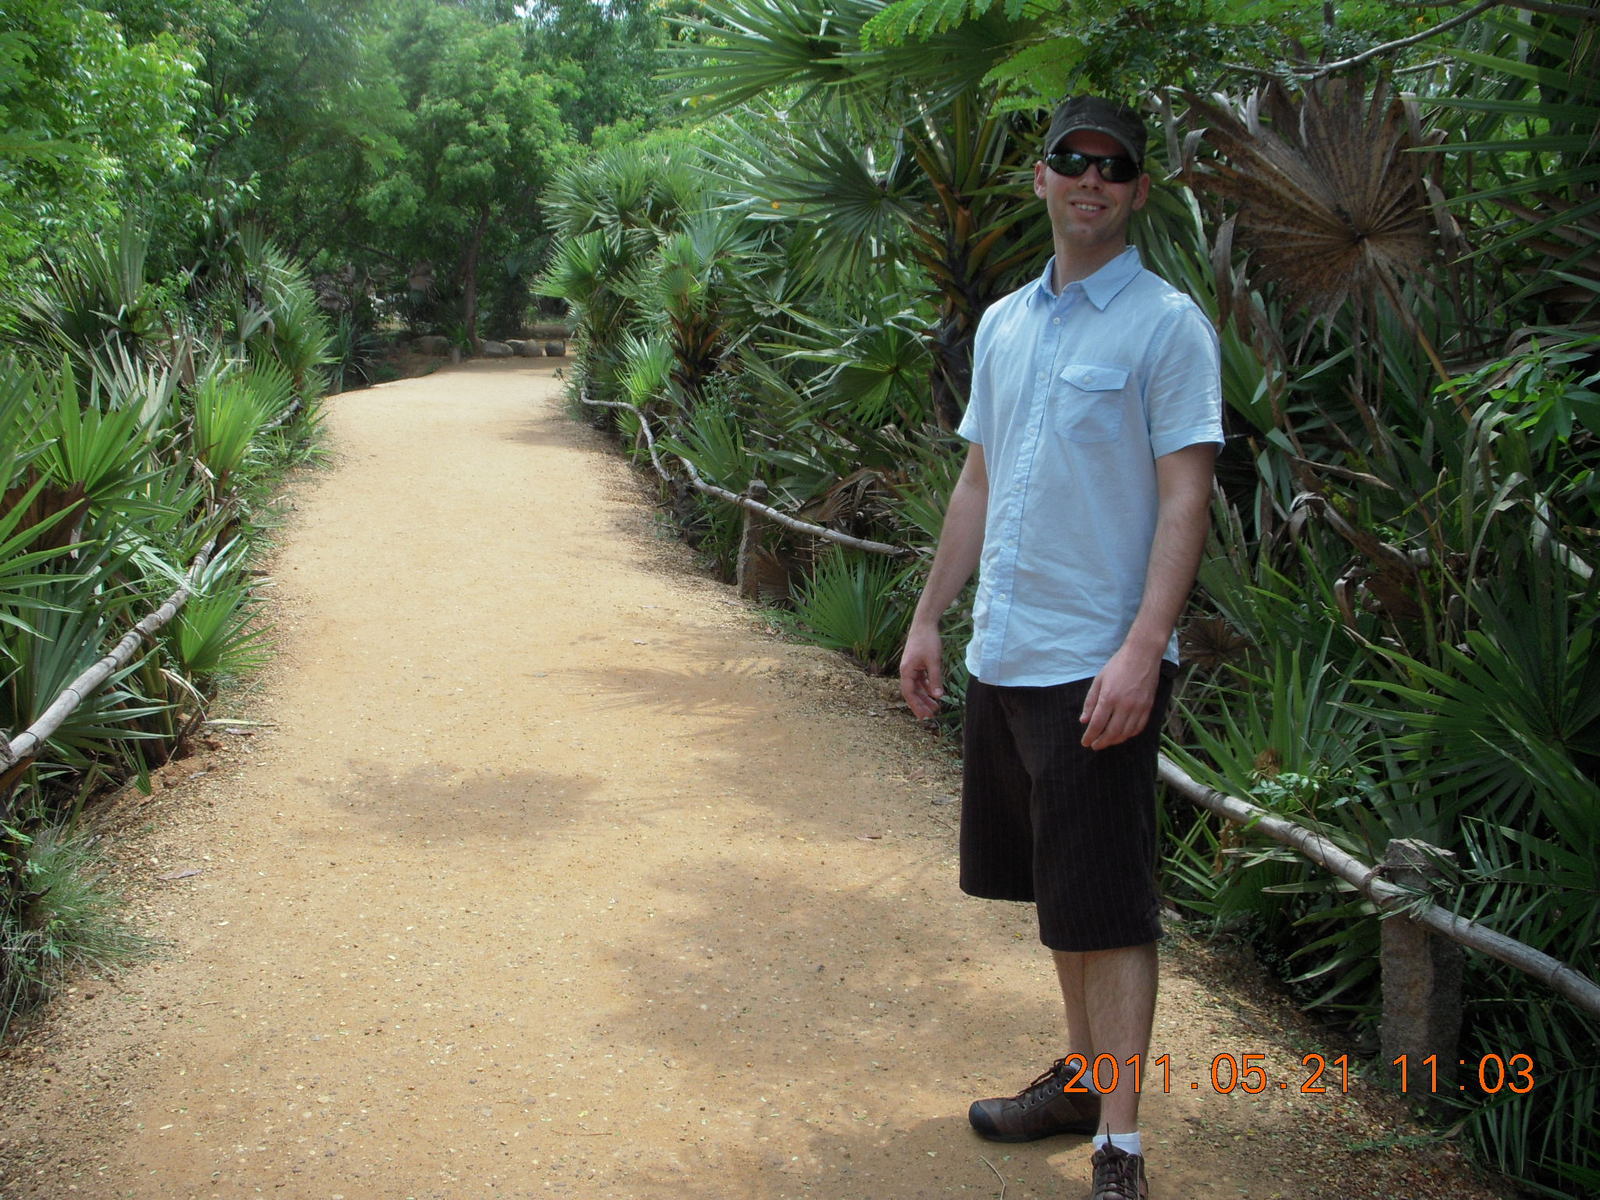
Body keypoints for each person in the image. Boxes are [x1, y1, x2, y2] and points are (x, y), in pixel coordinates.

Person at [898, 95, 1223, 1200]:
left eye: (1113, 165)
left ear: (1137, 191)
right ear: (1040, 176)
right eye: (1071, 159)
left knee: (1111, 905)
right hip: (1007, 651)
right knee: (1061, 893)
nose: (1091, 178)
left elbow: (1185, 498)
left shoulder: (1166, 326)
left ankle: (1119, 1142)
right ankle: (1083, 1081)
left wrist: (1143, 648)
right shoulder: (1004, 324)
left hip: (1098, 663)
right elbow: (977, 483)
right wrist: (930, 616)